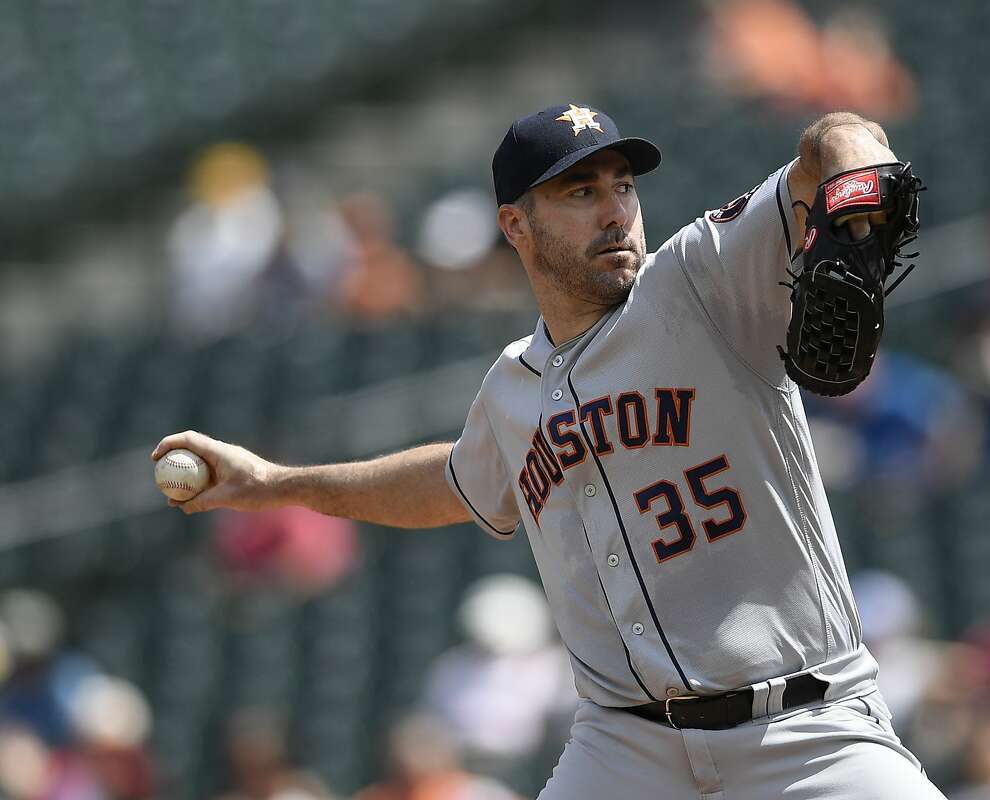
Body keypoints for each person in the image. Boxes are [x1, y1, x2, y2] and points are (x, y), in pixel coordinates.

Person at [153, 102, 945, 799]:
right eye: (581, 191)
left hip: (802, 728)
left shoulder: (701, 278)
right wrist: (275, 482)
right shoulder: (512, 387)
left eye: (623, 187)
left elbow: (845, 138)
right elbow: (449, 483)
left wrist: (853, 210)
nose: (615, 211)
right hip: (629, 748)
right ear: (515, 225)